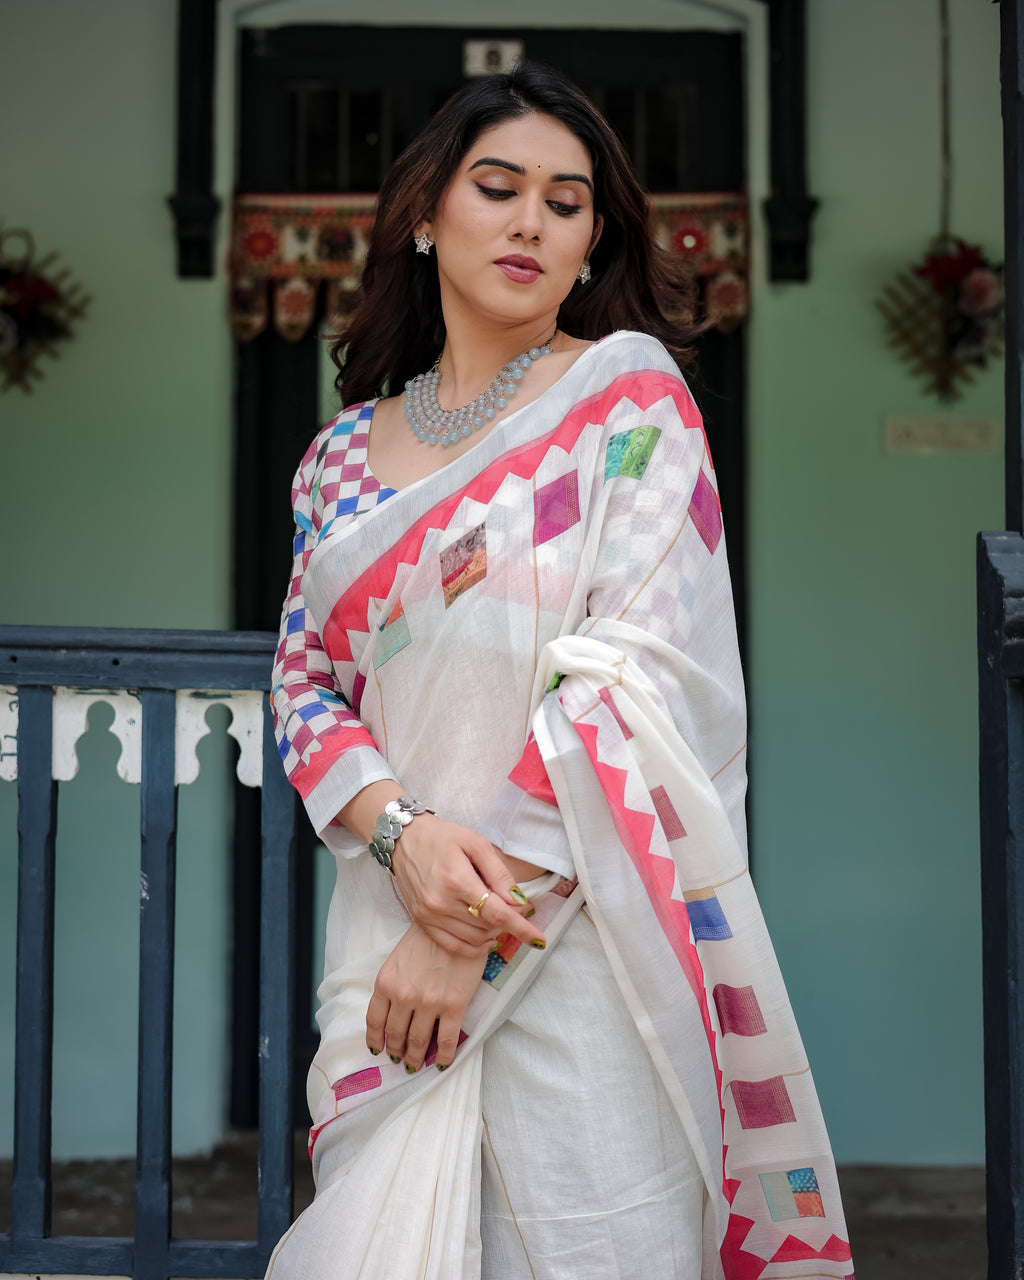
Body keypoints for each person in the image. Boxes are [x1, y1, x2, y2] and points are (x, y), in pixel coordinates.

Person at [267, 61, 853, 1280]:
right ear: (425, 215)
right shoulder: (337, 459)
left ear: (592, 243)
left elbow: (632, 681)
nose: (531, 220)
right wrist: (406, 843)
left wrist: (466, 934)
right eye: (497, 187)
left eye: (566, 201)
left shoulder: (627, 401)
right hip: (386, 935)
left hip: (577, 945)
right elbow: (304, 684)